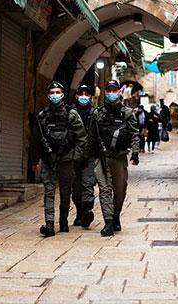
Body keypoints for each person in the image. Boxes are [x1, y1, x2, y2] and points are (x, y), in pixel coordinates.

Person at [32, 81, 87, 237]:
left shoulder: (71, 114)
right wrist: (34, 161)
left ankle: (63, 221)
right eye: (52, 92)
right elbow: (36, 140)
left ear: (62, 95)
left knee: (65, 192)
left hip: (67, 160)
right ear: (48, 95)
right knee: (49, 191)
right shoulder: (42, 116)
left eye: (58, 92)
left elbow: (82, 138)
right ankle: (49, 223)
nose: (55, 95)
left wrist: (75, 157)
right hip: (48, 160)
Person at [86, 80, 140, 236]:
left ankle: (116, 216)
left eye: (114, 89)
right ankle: (108, 222)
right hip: (102, 157)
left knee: (120, 191)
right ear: (105, 92)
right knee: (104, 190)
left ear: (119, 91)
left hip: (119, 157)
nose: (111, 92)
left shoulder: (127, 113)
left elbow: (134, 134)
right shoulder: (97, 113)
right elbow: (91, 136)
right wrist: (87, 158)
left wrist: (135, 153)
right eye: (109, 90)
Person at [71, 84, 96, 228]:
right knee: (76, 187)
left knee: (88, 183)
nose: (84, 96)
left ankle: (87, 210)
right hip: (74, 155)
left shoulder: (95, 114)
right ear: (76, 95)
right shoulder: (71, 113)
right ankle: (79, 211)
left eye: (87, 94)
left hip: (90, 156)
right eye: (81, 93)